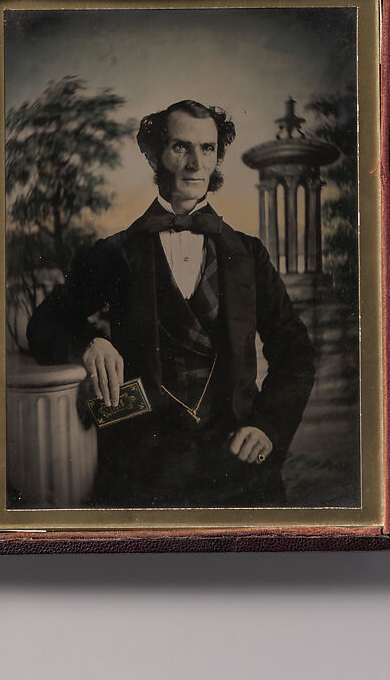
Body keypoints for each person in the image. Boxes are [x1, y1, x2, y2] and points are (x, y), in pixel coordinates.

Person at [27, 100, 315, 507]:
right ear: (154, 155)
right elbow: (44, 323)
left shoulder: (248, 254)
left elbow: (296, 353)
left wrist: (269, 427)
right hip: (143, 470)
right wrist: (90, 342)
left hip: (238, 468)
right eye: (182, 147)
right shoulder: (116, 252)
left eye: (208, 149)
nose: (197, 164)